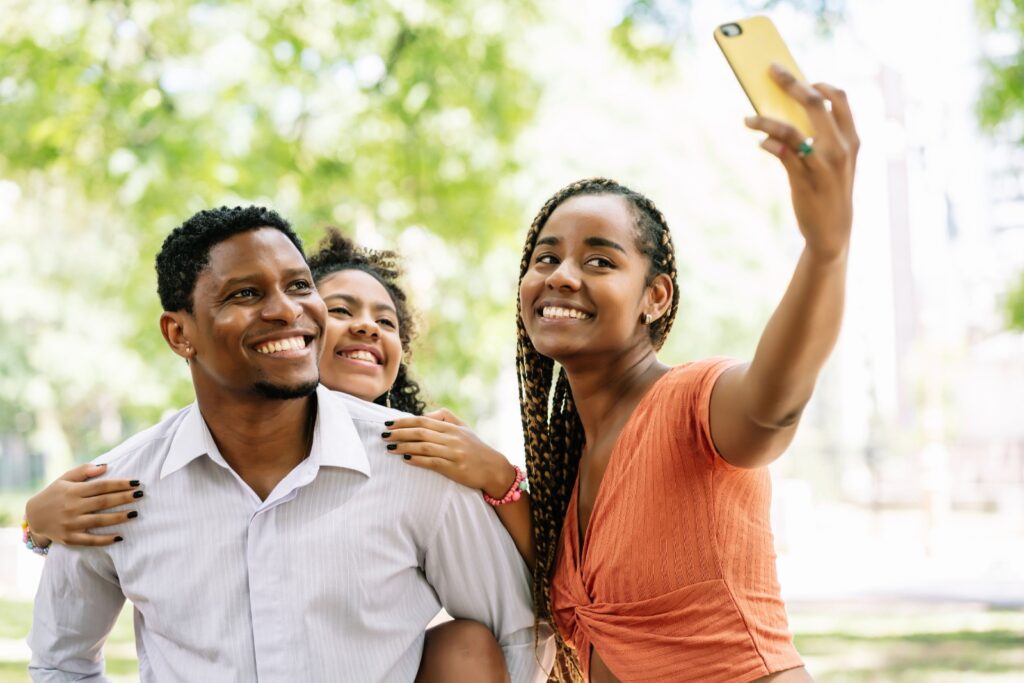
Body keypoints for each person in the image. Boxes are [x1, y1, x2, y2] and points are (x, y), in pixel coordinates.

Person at [381, 64, 859, 681]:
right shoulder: (570, 460)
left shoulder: (693, 398)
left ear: (654, 297)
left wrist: (825, 251)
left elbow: (775, 403)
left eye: (599, 259)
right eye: (545, 257)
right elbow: (557, 580)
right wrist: (500, 477)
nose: (560, 275)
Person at [27, 207, 549, 682]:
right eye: (245, 294)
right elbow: (60, 662)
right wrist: (35, 526)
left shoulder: (419, 465)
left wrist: (503, 479)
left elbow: (515, 633)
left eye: (299, 287)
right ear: (179, 334)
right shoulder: (108, 493)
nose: (284, 310)